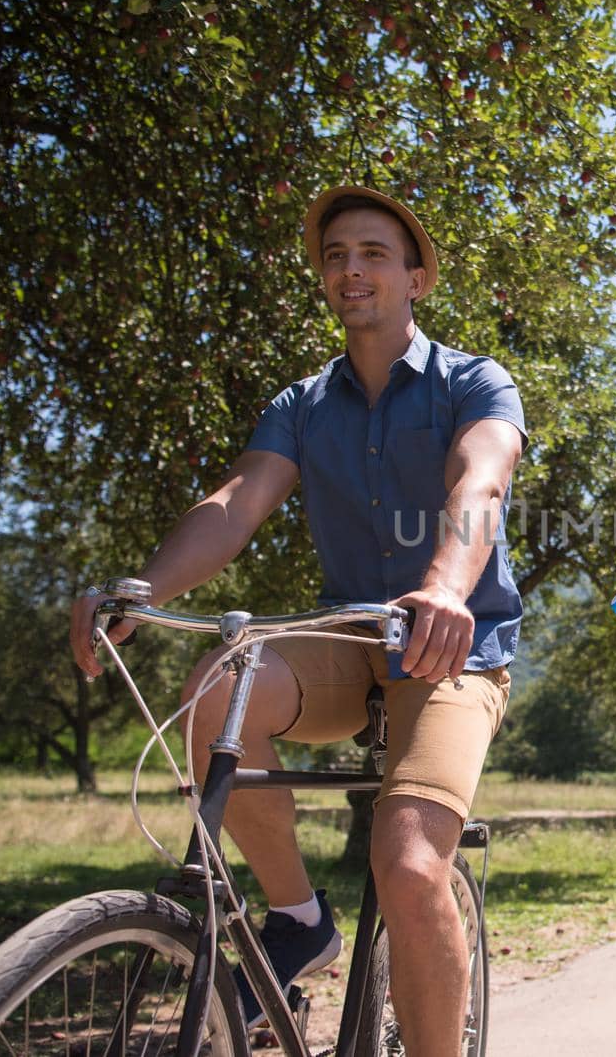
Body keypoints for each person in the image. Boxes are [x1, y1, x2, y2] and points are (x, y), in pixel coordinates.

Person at [69, 184, 526, 1056]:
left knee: (407, 866)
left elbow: (481, 485)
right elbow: (237, 503)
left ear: (417, 278)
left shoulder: (474, 381)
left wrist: (443, 585)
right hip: (347, 643)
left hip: (450, 650)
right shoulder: (302, 404)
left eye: (374, 255)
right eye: (334, 257)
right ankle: (298, 920)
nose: (350, 270)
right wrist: (144, 588)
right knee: (218, 686)